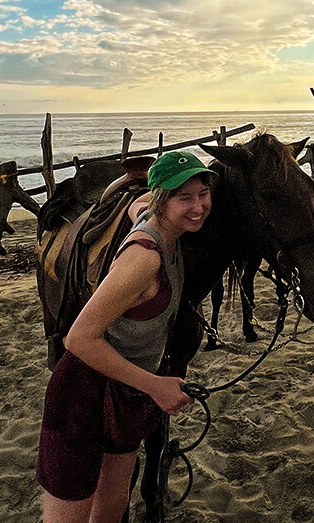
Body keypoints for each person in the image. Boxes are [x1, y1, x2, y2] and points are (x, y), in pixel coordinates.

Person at [36, 150, 215, 522]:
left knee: (113, 506)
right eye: (185, 198)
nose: (198, 207)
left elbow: (139, 203)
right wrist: (155, 385)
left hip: (126, 394)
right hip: (84, 391)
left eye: (202, 193)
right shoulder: (144, 258)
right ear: (164, 201)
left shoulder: (160, 224)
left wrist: (146, 387)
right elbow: (78, 339)